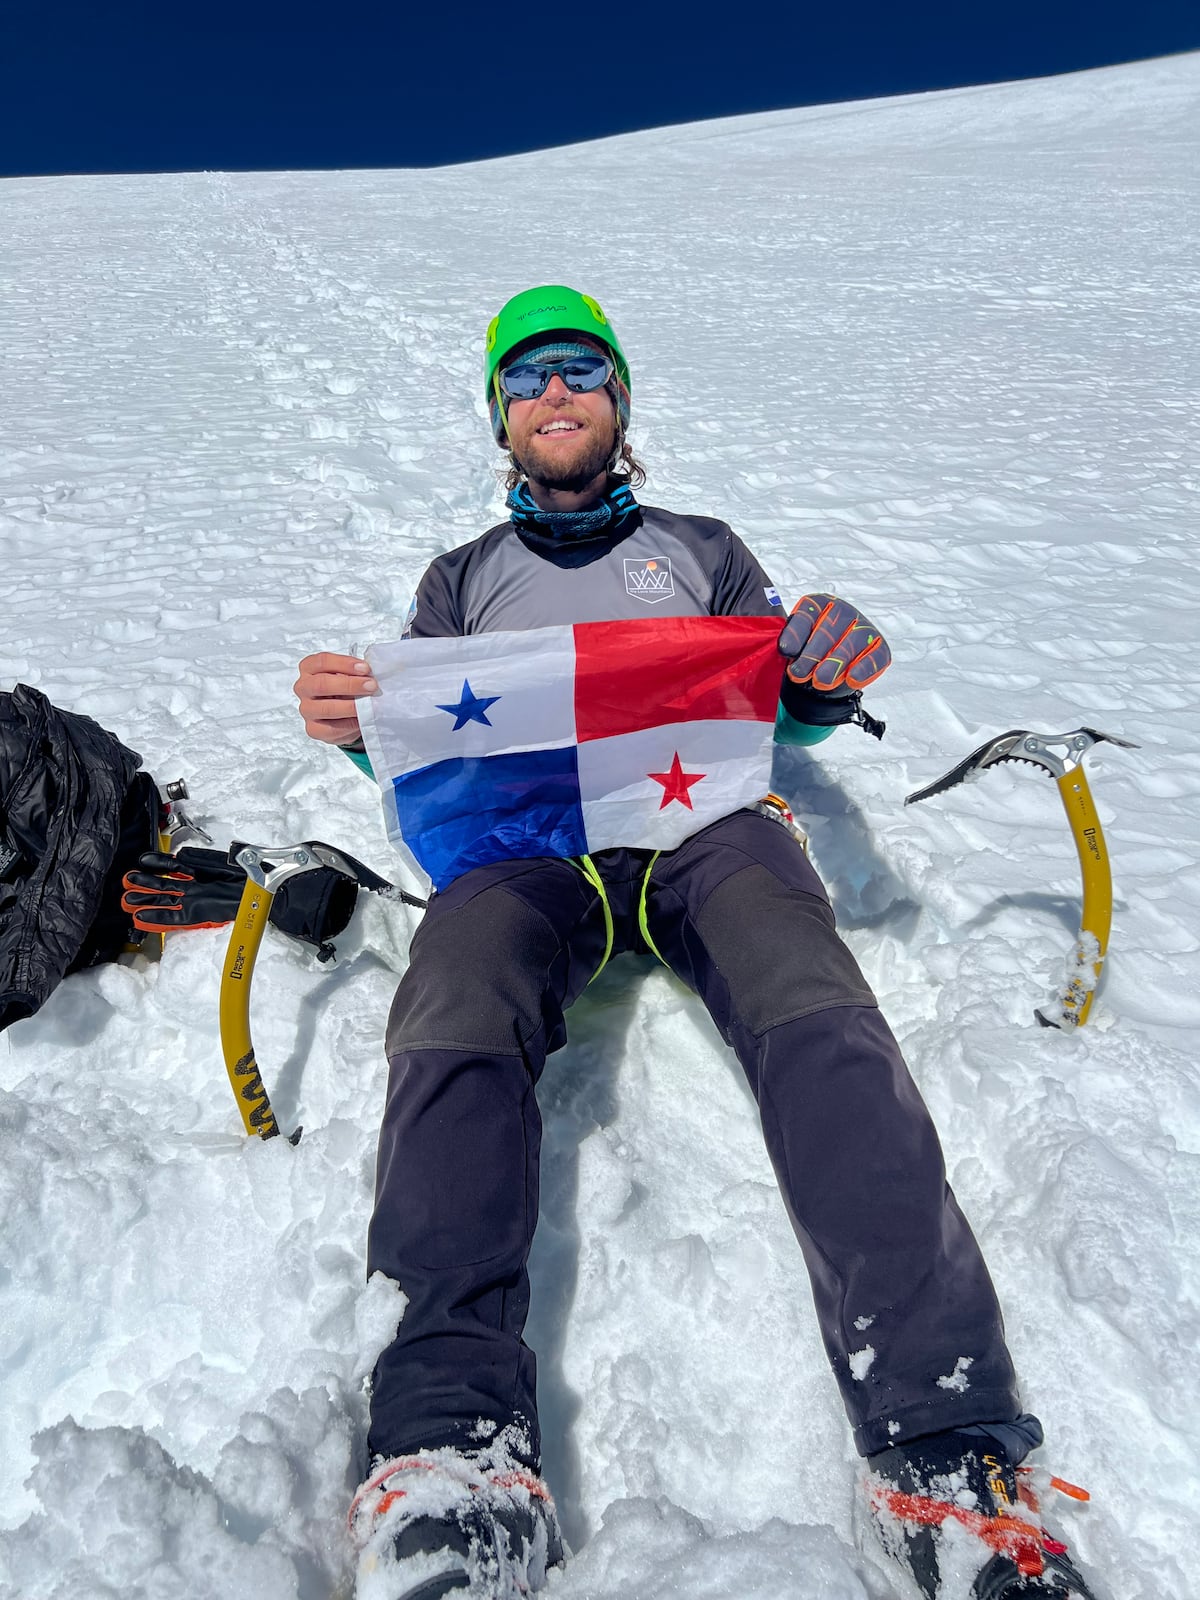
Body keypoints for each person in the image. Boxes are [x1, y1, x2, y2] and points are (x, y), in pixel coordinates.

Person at [294, 286, 1097, 1600]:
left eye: (584, 371)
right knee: (454, 989)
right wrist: (355, 717)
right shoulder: (459, 582)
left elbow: (782, 681)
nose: (559, 395)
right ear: (499, 415)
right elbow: (429, 728)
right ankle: (450, 1444)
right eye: (531, 378)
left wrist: (824, 671)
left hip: (706, 827)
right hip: (531, 850)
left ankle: (949, 1447)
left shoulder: (702, 545)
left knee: (814, 1003)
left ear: (620, 399)